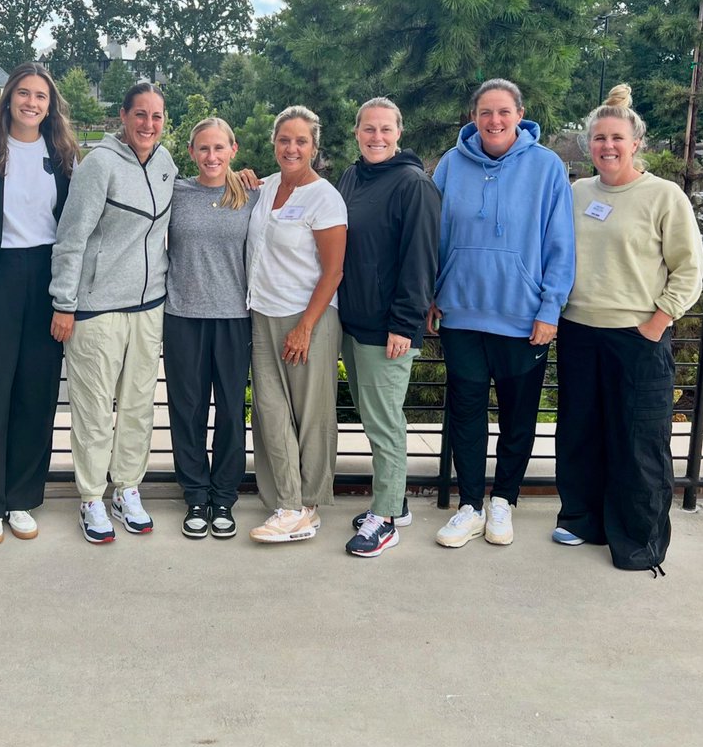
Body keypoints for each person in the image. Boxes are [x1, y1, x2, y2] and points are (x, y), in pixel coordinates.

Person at [553, 85, 703, 573]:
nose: (607, 146)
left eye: (617, 137)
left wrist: (659, 321)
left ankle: (639, 538)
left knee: (639, 440)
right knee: (580, 433)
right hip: (578, 330)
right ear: (587, 145)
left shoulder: (663, 195)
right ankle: (581, 520)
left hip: (637, 335)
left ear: (636, 142)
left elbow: (688, 267)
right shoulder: (575, 193)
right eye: (598, 138)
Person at [430, 78, 575, 548]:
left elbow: (561, 245)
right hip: (461, 314)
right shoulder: (451, 165)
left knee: (518, 417)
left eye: (503, 112)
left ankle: (504, 500)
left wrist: (549, 307)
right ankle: (470, 504)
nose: (494, 121)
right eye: (485, 112)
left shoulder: (547, 167)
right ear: (473, 117)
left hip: (522, 315)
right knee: (467, 414)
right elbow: (433, 237)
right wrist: (432, 293)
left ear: (520, 113)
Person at [0, 63, 78, 545]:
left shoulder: (63, 153)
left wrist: (69, 296)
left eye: (41, 96)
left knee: (36, 393)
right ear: (8, 98)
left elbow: (74, 228)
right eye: (23, 93)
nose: (31, 103)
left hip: (45, 280)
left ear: (51, 104)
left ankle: (23, 498)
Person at [50, 82, 176, 543]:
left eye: (157, 116)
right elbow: (71, 238)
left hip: (149, 307)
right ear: (122, 117)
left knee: (140, 406)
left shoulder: (165, 163)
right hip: (96, 309)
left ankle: (127, 489)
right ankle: (90, 497)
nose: (148, 124)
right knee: (94, 410)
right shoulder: (98, 165)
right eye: (139, 114)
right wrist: (65, 303)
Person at [337, 98, 441, 557]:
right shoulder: (351, 176)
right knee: (374, 417)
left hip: (389, 330)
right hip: (353, 322)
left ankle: (385, 520)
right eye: (368, 129)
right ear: (356, 132)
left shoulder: (413, 184)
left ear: (399, 133)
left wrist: (405, 322)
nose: (376, 137)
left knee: (384, 425)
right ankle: (394, 502)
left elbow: (421, 260)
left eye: (385, 129)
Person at [246, 105, 347, 543]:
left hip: (309, 318)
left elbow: (333, 271)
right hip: (262, 314)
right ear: (274, 143)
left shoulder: (324, 197)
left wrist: (306, 326)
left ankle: (306, 506)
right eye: (284, 140)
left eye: (300, 141)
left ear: (314, 147)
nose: (291, 147)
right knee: (269, 412)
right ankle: (286, 502)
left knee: (310, 416)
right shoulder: (266, 189)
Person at [163, 117, 259, 540]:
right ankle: (195, 496)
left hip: (235, 318)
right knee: (187, 411)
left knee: (231, 413)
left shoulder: (250, 194)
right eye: (203, 148)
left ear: (233, 149)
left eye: (219, 148)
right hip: (182, 316)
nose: (211, 156)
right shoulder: (176, 193)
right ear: (190, 153)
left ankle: (224, 495)